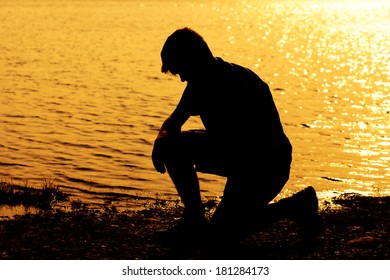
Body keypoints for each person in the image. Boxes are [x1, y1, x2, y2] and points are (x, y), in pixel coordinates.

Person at [152, 27, 321, 245]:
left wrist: (236, 192)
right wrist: (160, 141)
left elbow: (259, 149)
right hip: (239, 156)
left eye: (180, 70)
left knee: (219, 238)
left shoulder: (232, 82)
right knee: (171, 144)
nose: (182, 78)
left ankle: (295, 206)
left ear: (192, 59)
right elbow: (172, 124)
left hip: (266, 166)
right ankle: (194, 220)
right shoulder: (202, 80)